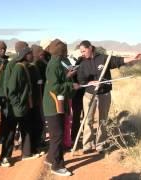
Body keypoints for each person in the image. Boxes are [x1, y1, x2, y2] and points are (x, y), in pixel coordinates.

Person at [77, 40, 141, 154]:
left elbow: (119, 60)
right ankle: (87, 145)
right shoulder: (82, 62)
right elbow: (81, 80)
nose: (82, 53)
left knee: (102, 120)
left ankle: (100, 144)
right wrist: (90, 82)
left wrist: (133, 58)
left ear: (90, 48)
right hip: (89, 95)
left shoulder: (104, 58)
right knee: (88, 120)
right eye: (81, 51)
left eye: (84, 51)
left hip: (104, 94)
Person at [43, 39, 80, 176]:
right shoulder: (54, 65)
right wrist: (71, 85)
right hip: (53, 105)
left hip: (58, 103)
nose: (67, 51)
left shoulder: (58, 63)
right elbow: (54, 87)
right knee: (57, 135)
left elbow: (58, 80)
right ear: (61, 51)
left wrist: (68, 75)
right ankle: (57, 166)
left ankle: (50, 158)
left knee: (56, 135)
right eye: (65, 49)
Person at [0, 47, 39, 167]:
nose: (33, 56)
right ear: (25, 55)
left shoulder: (25, 68)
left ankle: (26, 154)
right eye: (30, 54)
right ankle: (4, 157)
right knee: (10, 132)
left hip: (23, 106)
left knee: (26, 129)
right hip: (15, 108)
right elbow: (11, 90)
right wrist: (17, 103)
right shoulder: (18, 69)